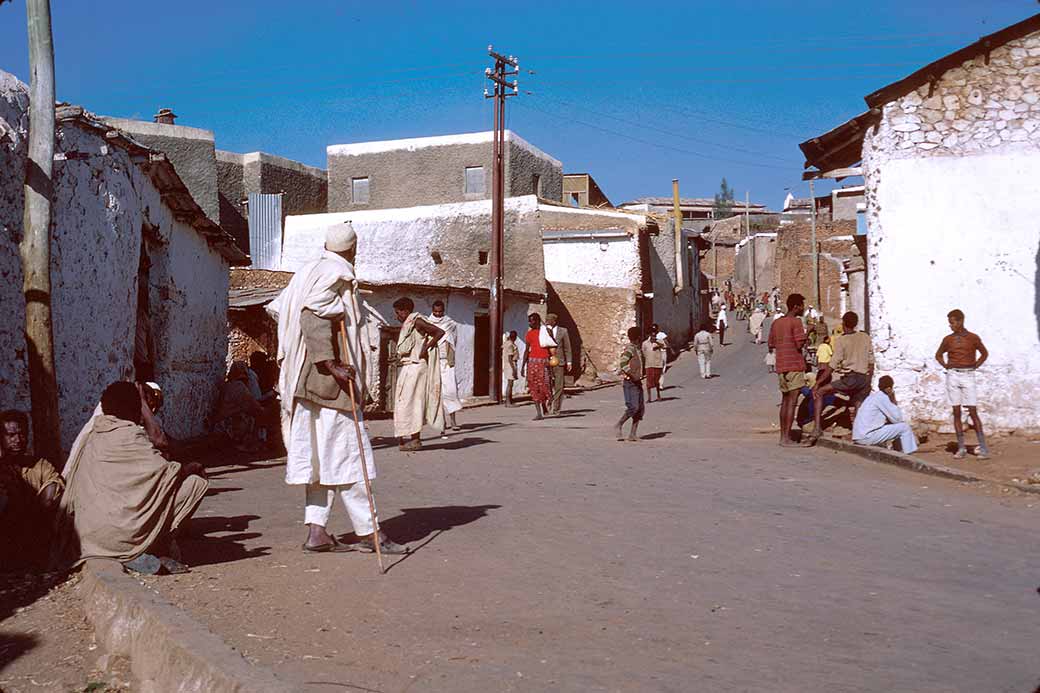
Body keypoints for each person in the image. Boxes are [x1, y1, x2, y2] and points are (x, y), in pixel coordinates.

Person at [267, 221, 407, 555]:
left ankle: (316, 533)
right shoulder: (336, 273)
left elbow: (289, 309)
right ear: (353, 249)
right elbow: (312, 315)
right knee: (351, 458)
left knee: (321, 460)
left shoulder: (309, 271)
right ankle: (370, 532)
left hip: (308, 384)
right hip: (330, 385)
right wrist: (332, 364)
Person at [56, 382, 208, 574]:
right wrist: (190, 468)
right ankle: (151, 547)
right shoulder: (130, 435)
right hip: (117, 538)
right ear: (135, 407)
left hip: (86, 539)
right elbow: (166, 471)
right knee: (196, 483)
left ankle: (135, 546)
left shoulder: (92, 435)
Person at [0, 410, 65, 570]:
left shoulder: (40, 465)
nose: (18, 440)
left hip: (34, 535)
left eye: (22, 434)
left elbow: (52, 491)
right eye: (11, 435)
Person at [935, 309, 990, 459]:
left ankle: (983, 447)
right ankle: (961, 448)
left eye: (952, 323)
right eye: (950, 323)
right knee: (956, 411)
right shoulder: (948, 339)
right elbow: (938, 355)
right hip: (953, 375)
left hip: (968, 375)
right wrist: (946, 366)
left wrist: (975, 366)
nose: (950, 326)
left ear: (960, 321)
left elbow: (984, 353)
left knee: (972, 411)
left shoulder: (973, 338)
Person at [810, 311, 873, 443]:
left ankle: (817, 428)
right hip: (864, 378)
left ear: (844, 324)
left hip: (850, 378)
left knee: (820, 392)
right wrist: (869, 379)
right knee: (858, 402)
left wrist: (818, 383)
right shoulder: (865, 337)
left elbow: (832, 366)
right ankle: (858, 434)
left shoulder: (841, 340)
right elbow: (871, 361)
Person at [393, 297, 445, 450]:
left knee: (413, 404)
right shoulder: (409, 324)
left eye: (398, 312)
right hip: (409, 368)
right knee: (405, 404)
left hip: (416, 368)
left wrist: (425, 349)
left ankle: (415, 440)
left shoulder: (417, 321)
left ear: (405, 311)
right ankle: (408, 439)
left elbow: (439, 332)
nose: (397, 316)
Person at [768, 293, 808, 447]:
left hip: (781, 365)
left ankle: (782, 436)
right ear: (796, 306)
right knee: (792, 402)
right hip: (794, 365)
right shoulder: (796, 322)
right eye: (802, 305)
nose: (803, 308)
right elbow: (799, 344)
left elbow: (771, 343)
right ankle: (786, 438)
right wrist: (808, 332)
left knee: (785, 401)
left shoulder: (776, 323)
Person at [852, 376, 918, 454]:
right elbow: (897, 419)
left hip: (858, 436)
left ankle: (898, 451)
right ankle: (908, 454)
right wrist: (893, 400)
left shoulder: (871, 397)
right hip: (867, 437)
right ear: (889, 388)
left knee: (893, 427)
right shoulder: (882, 398)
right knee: (904, 427)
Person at [210, 361, 266, 452]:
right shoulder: (239, 386)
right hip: (228, 425)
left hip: (221, 424)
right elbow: (254, 406)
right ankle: (252, 444)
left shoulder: (229, 385)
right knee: (256, 416)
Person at [428, 300, 463, 435]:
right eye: (435, 312)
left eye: (440, 312)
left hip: (447, 361)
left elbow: (454, 341)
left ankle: (453, 421)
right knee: (437, 392)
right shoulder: (428, 323)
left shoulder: (450, 323)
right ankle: (441, 422)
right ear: (432, 311)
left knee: (451, 391)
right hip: (434, 360)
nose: (438, 314)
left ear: (443, 311)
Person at [613, 326, 645, 442]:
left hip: (637, 381)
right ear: (638, 338)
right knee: (633, 407)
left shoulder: (638, 349)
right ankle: (619, 424)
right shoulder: (630, 349)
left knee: (639, 408)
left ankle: (633, 434)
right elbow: (623, 363)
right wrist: (632, 373)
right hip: (630, 382)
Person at [521, 313, 552, 420]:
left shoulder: (545, 332)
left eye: (532, 321)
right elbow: (527, 350)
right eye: (529, 321)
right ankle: (539, 413)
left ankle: (544, 405)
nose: (530, 323)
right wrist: (523, 366)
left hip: (544, 362)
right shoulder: (529, 334)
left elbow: (552, 345)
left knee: (544, 386)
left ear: (537, 321)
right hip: (532, 363)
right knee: (534, 387)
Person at [545, 313, 573, 416]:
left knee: (559, 385)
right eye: (546, 320)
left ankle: (556, 408)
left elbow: (567, 347)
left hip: (559, 361)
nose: (547, 322)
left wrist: (569, 362)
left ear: (554, 321)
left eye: (549, 320)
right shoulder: (544, 331)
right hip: (547, 361)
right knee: (548, 384)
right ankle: (548, 405)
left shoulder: (563, 331)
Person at [642, 324, 667, 402]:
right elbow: (643, 352)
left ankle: (658, 395)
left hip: (657, 364)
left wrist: (657, 343)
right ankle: (649, 397)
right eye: (652, 334)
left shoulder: (659, 341)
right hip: (649, 364)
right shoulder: (645, 343)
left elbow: (665, 346)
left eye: (655, 334)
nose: (653, 335)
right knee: (648, 382)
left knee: (656, 381)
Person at [502, 330, 519, 406]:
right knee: (510, 384)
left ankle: (509, 401)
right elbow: (510, 358)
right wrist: (513, 369)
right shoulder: (510, 345)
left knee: (510, 384)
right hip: (510, 364)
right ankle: (508, 402)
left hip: (509, 364)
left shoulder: (507, 343)